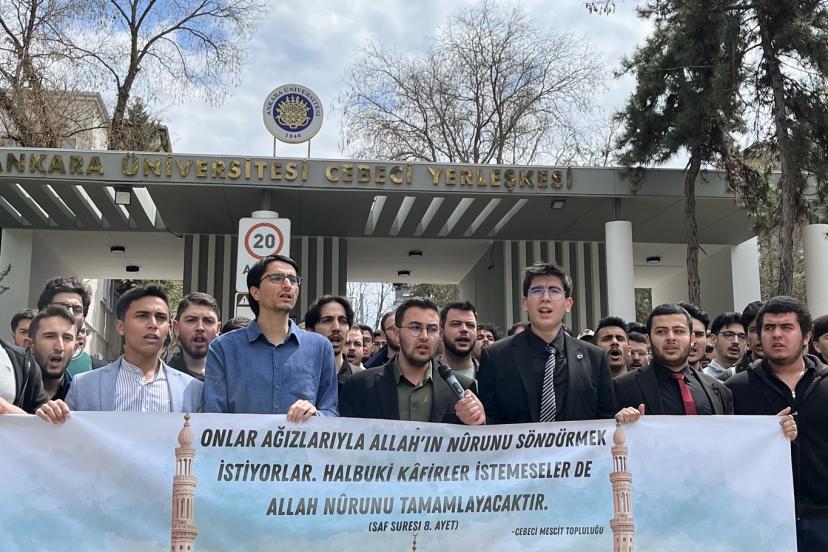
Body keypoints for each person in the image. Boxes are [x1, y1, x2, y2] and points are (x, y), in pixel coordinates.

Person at [725, 296, 822, 549]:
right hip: (762, 521)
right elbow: (723, 453)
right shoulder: (735, 389)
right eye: (768, 328)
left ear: (806, 336)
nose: (776, 335)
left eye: (786, 327)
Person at [35, 285, 203, 423]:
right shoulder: (84, 386)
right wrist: (50, 418)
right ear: (120, 326)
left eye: (160, 318)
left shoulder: (193, 390)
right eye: (142, 316)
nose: (153, 324)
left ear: (169, 328)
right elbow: (66, 442)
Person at [478, 262, 615, 424]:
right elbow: (488, 420)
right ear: (525, 303)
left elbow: (606, 420)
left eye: (554, 290)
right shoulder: (495, 356)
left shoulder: (596, 358)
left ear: (568, 304)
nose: (545, 298)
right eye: (537, 290)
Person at [203, 254, 337, 420]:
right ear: (255, 292)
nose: (287, 285)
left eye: (293, 280)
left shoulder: (320, 348)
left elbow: (331, 411)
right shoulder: (223, 348)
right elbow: (213, 416)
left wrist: (315, 414)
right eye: (277, 278)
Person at [340, 297, 485, 425]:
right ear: (397, 334)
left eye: (432, 329)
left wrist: (479, 422)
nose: (424, 336)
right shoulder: (359, 385)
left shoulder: (463, 388)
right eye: (415, 328)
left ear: (440, 334)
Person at [614, 304, 732, 416]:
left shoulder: (719, 390)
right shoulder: (621, 387)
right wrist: (619, 423)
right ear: (648, 340)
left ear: (692, 339)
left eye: (679, 331)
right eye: (661, 332)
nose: (671, 338)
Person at [36, 276, 106, 375]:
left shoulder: (98, 371)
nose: (70, 314)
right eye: (61, 307)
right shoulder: (20, 367)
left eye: (77, 310)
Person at [305, 295, 359, 389]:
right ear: (311, 332)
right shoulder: (298, 377)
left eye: (343, 321)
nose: (337, 327)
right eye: (327, 320)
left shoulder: (361, 380)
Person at [26, 305, 76, 401]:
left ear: (75, 347)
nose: (59, 347)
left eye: (67, 338)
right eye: (49, 336)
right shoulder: (12, 388)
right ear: (30, 345)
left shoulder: (82, 395)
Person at [168, 292, 222, 381]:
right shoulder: (163, 378)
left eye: (208, 321)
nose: (200, 327)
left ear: (218, 329)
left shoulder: (231, 377)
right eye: (191, 320)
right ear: (176, 328)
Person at [439, 301, 478, 381]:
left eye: (470, 325)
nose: (464, 329)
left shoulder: (490, 374)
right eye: (456, 324)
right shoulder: (424, 375)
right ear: (441, 332)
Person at [704, 312, 746, 382]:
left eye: (742, 336)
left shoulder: (752, 377)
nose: (736, 341)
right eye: (729, 335)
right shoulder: (702, 379)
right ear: (713, 339)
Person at [677, 302, 709, 372]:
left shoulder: (712, 379)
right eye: (684, 333)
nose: (693, 342)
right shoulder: (652, 378)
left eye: (698, 334)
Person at [735, 300, 764, 374]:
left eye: (766, 328)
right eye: (754, 330)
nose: (760, 335)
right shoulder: (730, 376)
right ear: (746, 336)